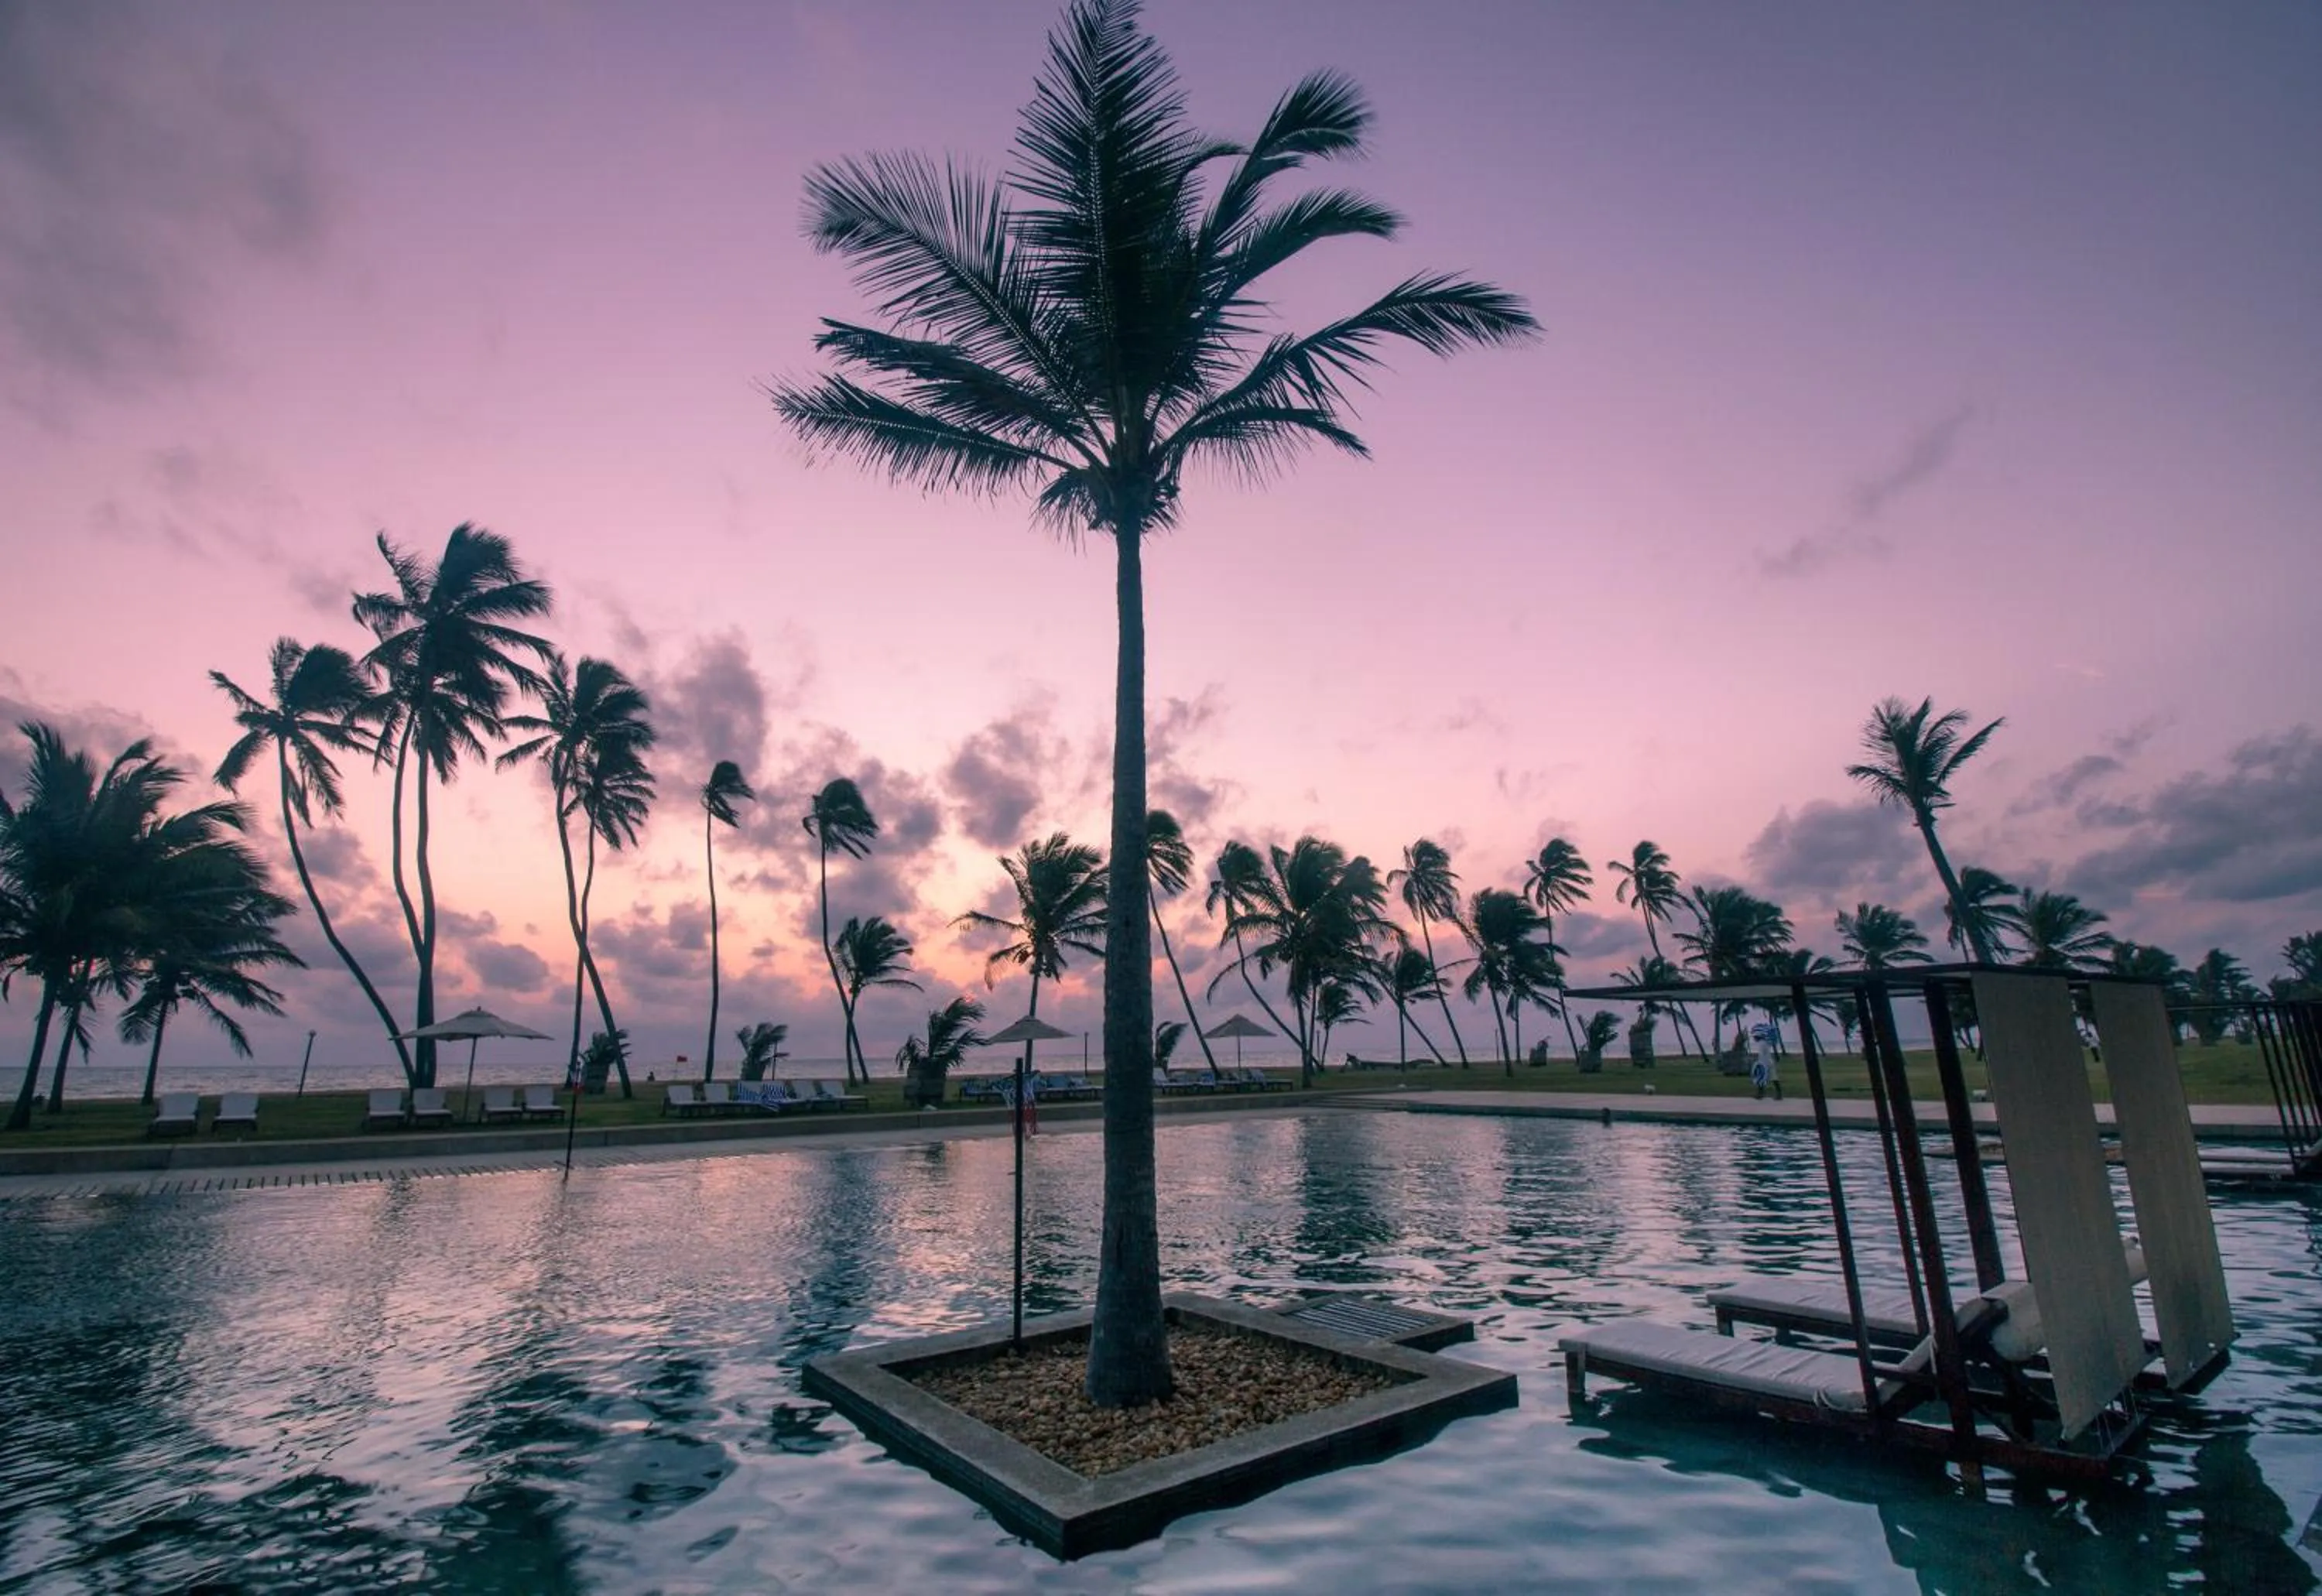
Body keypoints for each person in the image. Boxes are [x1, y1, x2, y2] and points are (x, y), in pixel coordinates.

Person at [1749, 1018, 1783, 1101]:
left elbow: (1761, 1055)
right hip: (1770, 1062)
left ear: (1758, 1036)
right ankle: (1779, 1094)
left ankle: (1761, 1094)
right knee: (1774, 1078)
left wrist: (1758, 1063)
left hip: (1764, 1063)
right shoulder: (1766, 1042)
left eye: (1755, 1036)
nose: (1754, 1038)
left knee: (1761, 1078)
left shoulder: (1761, 1043)